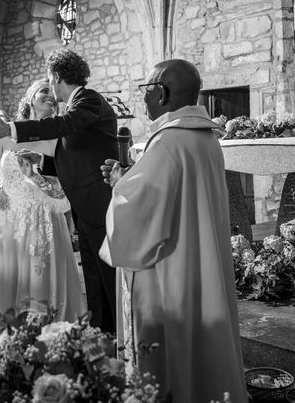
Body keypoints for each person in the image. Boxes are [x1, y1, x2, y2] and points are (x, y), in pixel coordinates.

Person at [98, 59, 247, 403]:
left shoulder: (167, 142)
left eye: (147, 90)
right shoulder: (205, 138)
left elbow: (138, 215)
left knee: (172, 351)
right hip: (200, 260)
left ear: (162, 93)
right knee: (202, 348)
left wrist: (121, 184)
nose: (144, 98)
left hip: (171, 273)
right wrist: (132, 176)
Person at [0, 49, 118, 333]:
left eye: (50, 80)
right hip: (84, 206)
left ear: (57, 75)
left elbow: (65, 125)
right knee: (95, 281)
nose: (49, 88)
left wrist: (11, 128)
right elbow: (72, 153)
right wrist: (43, 160)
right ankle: (101, 335)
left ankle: (119, 338)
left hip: (97, 204)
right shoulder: (77, 106)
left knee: (108, 279)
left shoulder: (87, 99)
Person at [0, 79, 85, 339]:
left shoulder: (61, 138)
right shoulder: (8, 133)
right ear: (29, 98)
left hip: (44, 220)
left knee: (38, 285)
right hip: (5, 219)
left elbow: (66, 180)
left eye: (53, 92)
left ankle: (44, 344)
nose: (50, 95)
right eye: (44, 91)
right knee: (6, 283)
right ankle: (2, 343)